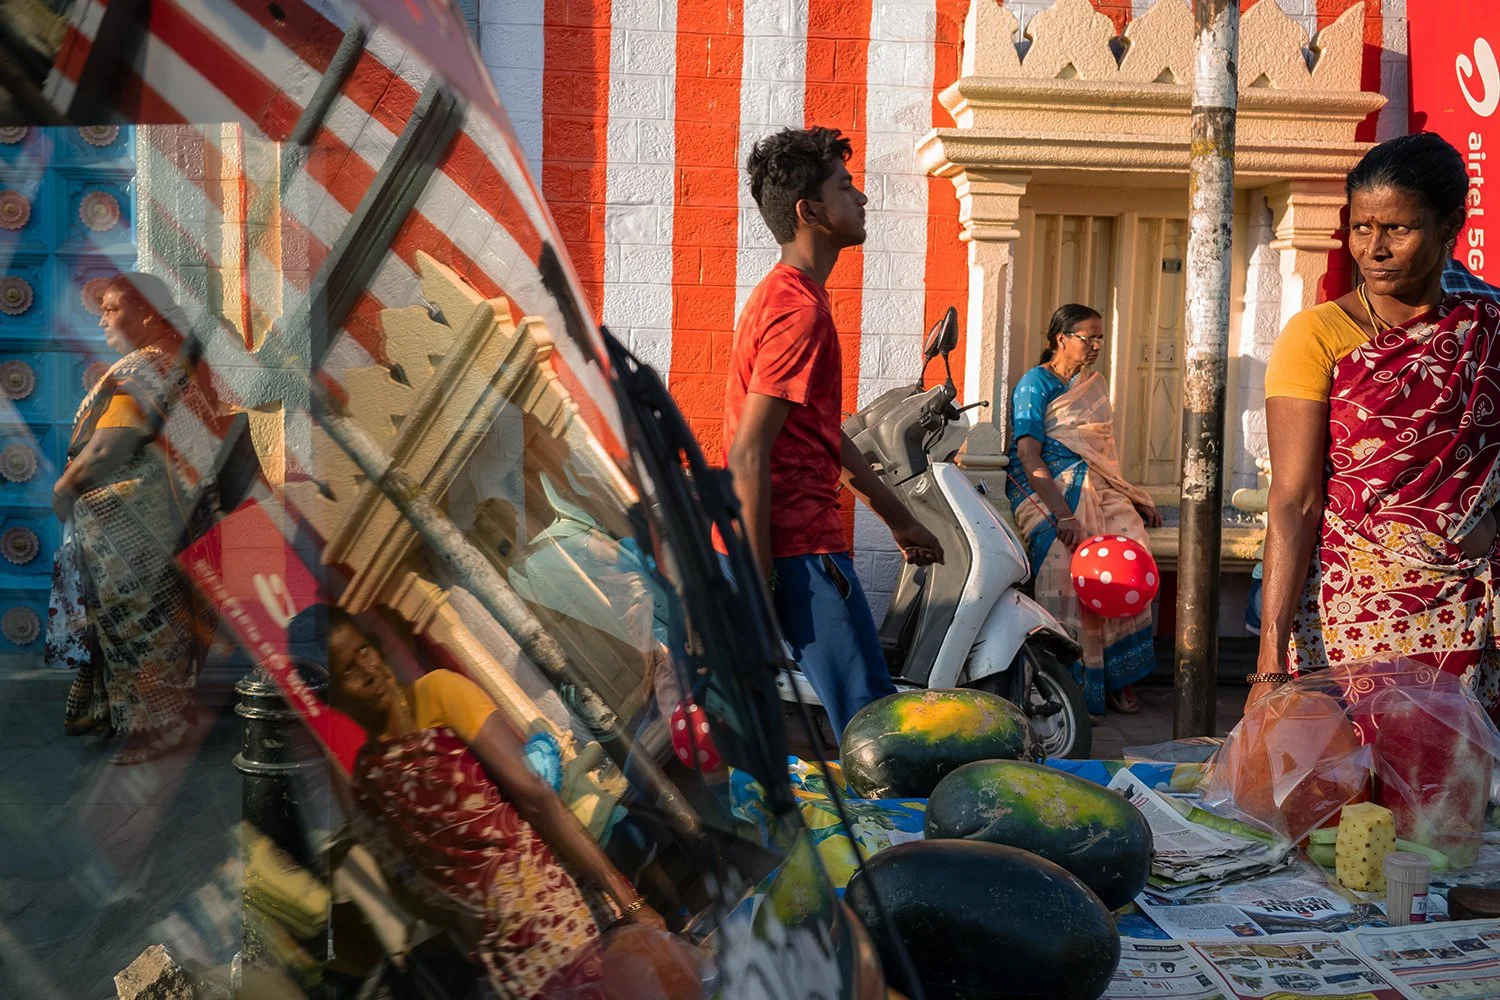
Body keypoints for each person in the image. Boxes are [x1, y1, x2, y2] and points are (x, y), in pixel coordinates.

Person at [1252, 131, 1500, 719]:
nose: (1374, 249)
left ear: (1449, 225)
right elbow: (1294, 500)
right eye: (1361, 228)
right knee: (1351, 769)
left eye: (1397, 229)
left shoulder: (1486, 330)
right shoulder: (1316, 336)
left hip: (1469, 606)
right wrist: (1269, 662)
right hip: (1353, 615)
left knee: (1463, 772)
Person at [311, 605, 666, 998]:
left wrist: (626, 900)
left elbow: (537, 799)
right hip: (532, 944)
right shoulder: (371, 784)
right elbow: (408, 891)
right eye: (348, 670)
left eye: (363, 650)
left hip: (553, 928)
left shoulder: (438, 697)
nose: (368, 671)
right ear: (331, 698)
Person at [724, 126, 943, 737]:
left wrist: (898, 517)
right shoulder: (798, 310)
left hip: (790, 546)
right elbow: (748, 453)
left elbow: (823, 433)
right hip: (795, 549)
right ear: (810, 212)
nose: (862, 197)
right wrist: (760, 585)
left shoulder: (789, 296)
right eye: (845, 187)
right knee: (875, 727)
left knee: (864, 715)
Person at [49, 273, 225, 764]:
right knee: (146, 622)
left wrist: (64, 488)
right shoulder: (165, 363)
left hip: (134, 532)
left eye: (111, 309)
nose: (103, 319)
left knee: (141, 625)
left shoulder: (147, 367)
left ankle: (159, 728)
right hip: (143, 527)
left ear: (146, 313)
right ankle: (139, 718)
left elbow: (109, 446)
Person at [1005, 304, 1162, 717]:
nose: (1095, 346)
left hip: (1096, 484)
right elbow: (1028, 454)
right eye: (1087, 338)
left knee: (1131, 554)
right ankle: (1072, 684)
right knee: (1068, 564)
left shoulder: (1094, 385)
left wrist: (1130, 495)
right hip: (1045, 489)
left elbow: (1101, 453)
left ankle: (1118, 676)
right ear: (1061, 339)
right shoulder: (1034, 383)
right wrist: (1064, 515)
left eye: (1099, 338)